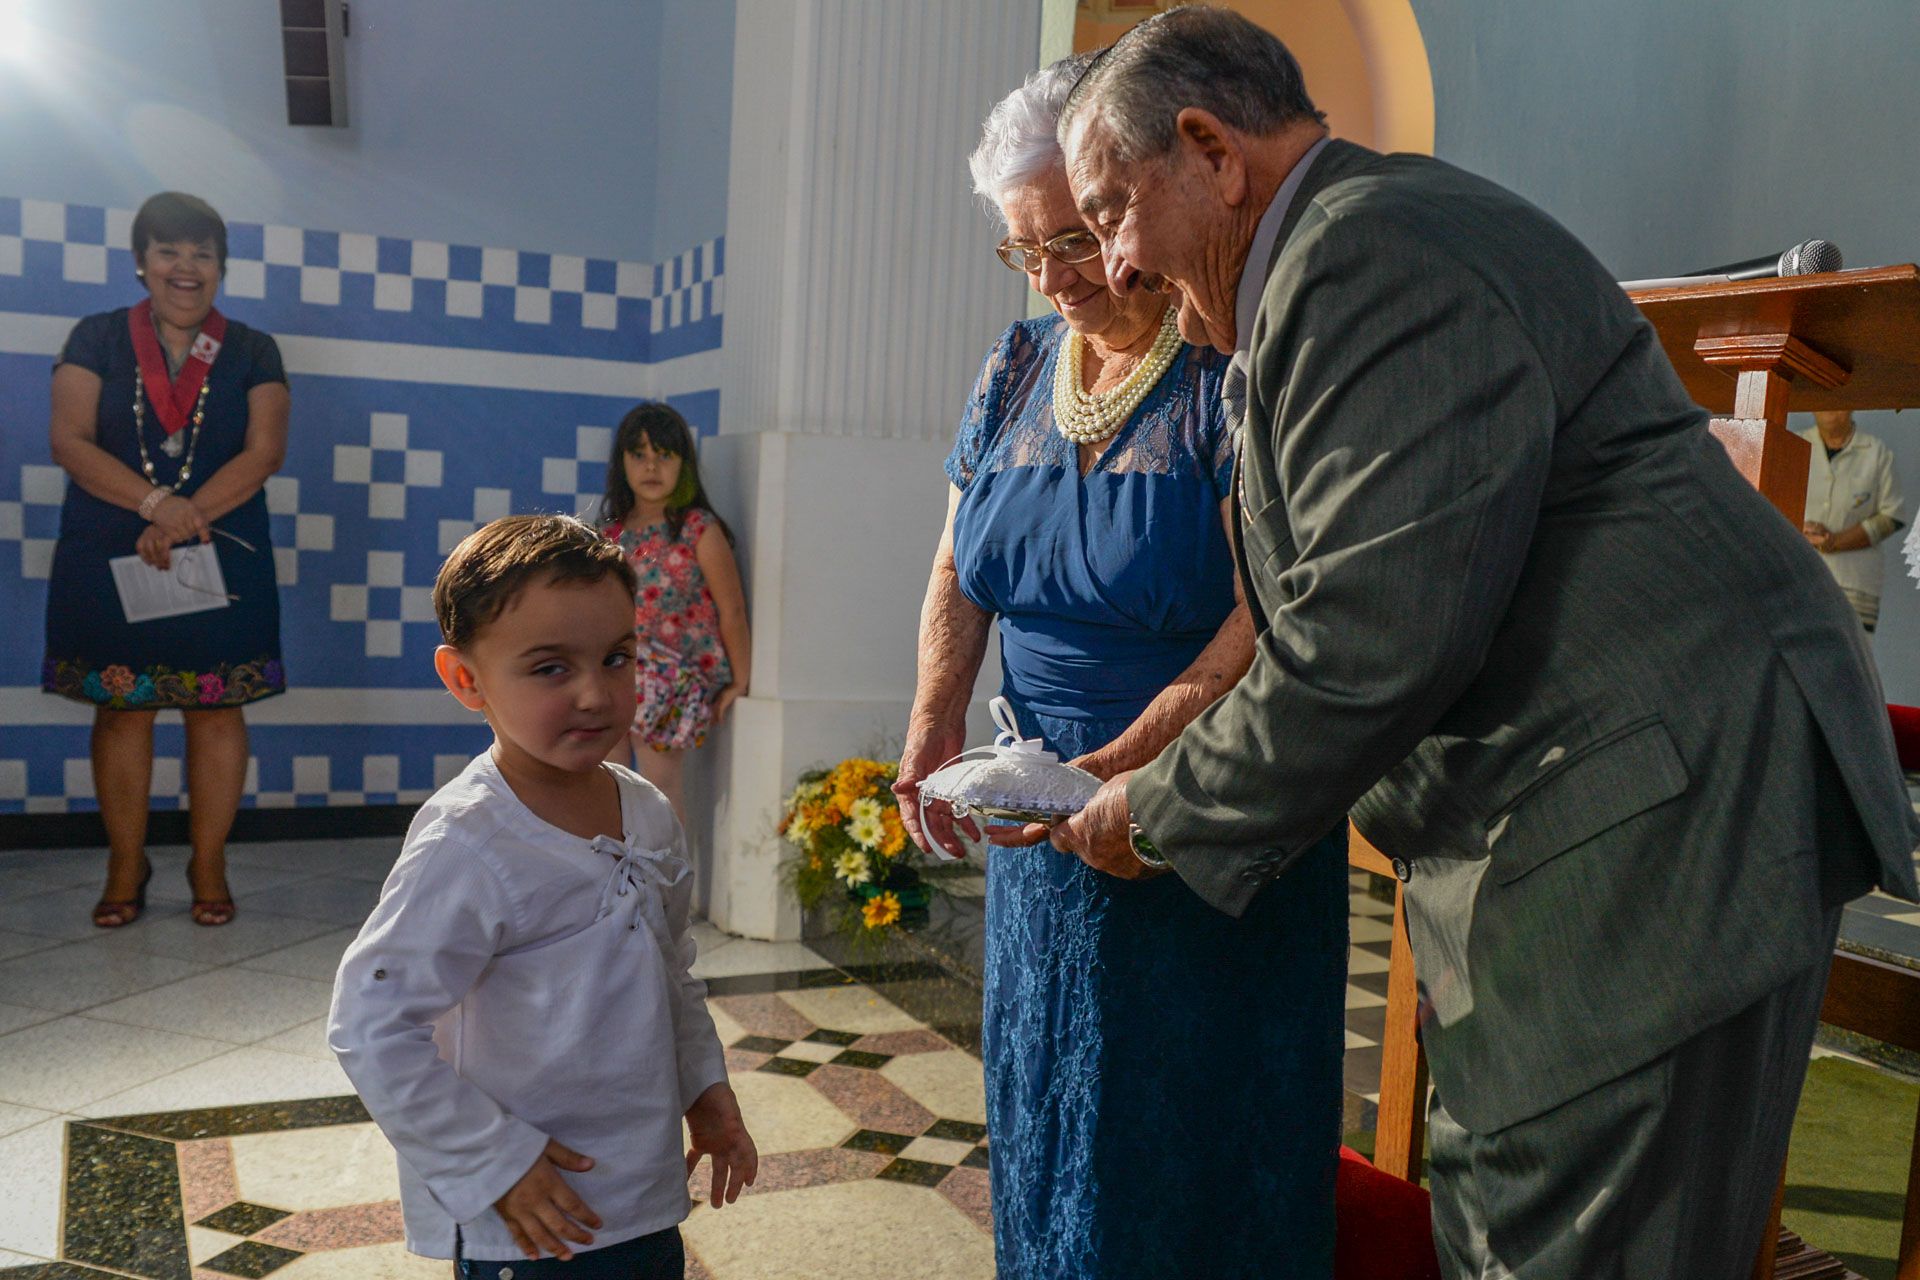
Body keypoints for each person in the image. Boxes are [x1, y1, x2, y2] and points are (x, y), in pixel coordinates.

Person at [1052, 9, 1920, 1278]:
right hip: (1622, 802)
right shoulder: (1336, 256)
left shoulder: (1363, 254)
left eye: (1113, 211)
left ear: (1210, 150)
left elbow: (1366, 636)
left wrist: (1154, 812)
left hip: (1645, 817)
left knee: (1563, 1238)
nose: (1111, 266)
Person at [892, 54, 1347, 1279]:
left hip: (1199, 811)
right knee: (1047, 1112)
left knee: (1184, 1145)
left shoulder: (1229, 363)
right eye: (1025, 250)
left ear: (1121, 201)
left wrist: (1119, 770)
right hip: (1042, 818)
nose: (1057, 276)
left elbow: (1268, 615)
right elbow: (959, 564)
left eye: (1076, 239)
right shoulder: (1012, 369)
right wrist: (937, 721)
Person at [329, 515, 756, 1277]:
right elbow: (370, 1023)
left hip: (643, 1192)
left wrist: (705, 1085)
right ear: (467, 680)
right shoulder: (466, 842)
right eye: (551, 668)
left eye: (617, 658)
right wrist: (496, 1163)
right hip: (529, 1217)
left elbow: (671, 972)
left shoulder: (649, 813)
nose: (596, 694)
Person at [43, 191, 290, 929]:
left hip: (220, 552)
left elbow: (264, 451)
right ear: (141, 263)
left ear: (220, 268)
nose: (186, 267)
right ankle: (127, 861)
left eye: (202, 254)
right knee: (124, 710)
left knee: (216, 711)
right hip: (115, 552)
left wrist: (187, 516)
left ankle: (207, 861)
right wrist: (158, 508)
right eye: (168, 251)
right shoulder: (94, 338)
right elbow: (70, 441)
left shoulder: (252, 349)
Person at [597, 403, 750, 828]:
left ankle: (668, 890)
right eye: (639, 455)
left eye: (664, 455)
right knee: (606, 780)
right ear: (621, 461)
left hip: (672, 678)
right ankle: (615, 885)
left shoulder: (698, 528)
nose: (651, 466)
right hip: (615, 672)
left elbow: (732, 608)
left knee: (660, 789)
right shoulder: (612, 532)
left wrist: (740, 679)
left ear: (684, 464)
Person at [1798, 408, 1904, 632]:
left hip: (1855, 583)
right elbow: (1769, 502)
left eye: (1837, 401)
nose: (1829, 408)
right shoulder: (1794, 445)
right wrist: (1800, 529)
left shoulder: (1876, 452)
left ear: (1852, 405)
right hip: (1798, 579)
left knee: (1851, 657)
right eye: (1823, 401)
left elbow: (1892, 516)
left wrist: (1836, 541)